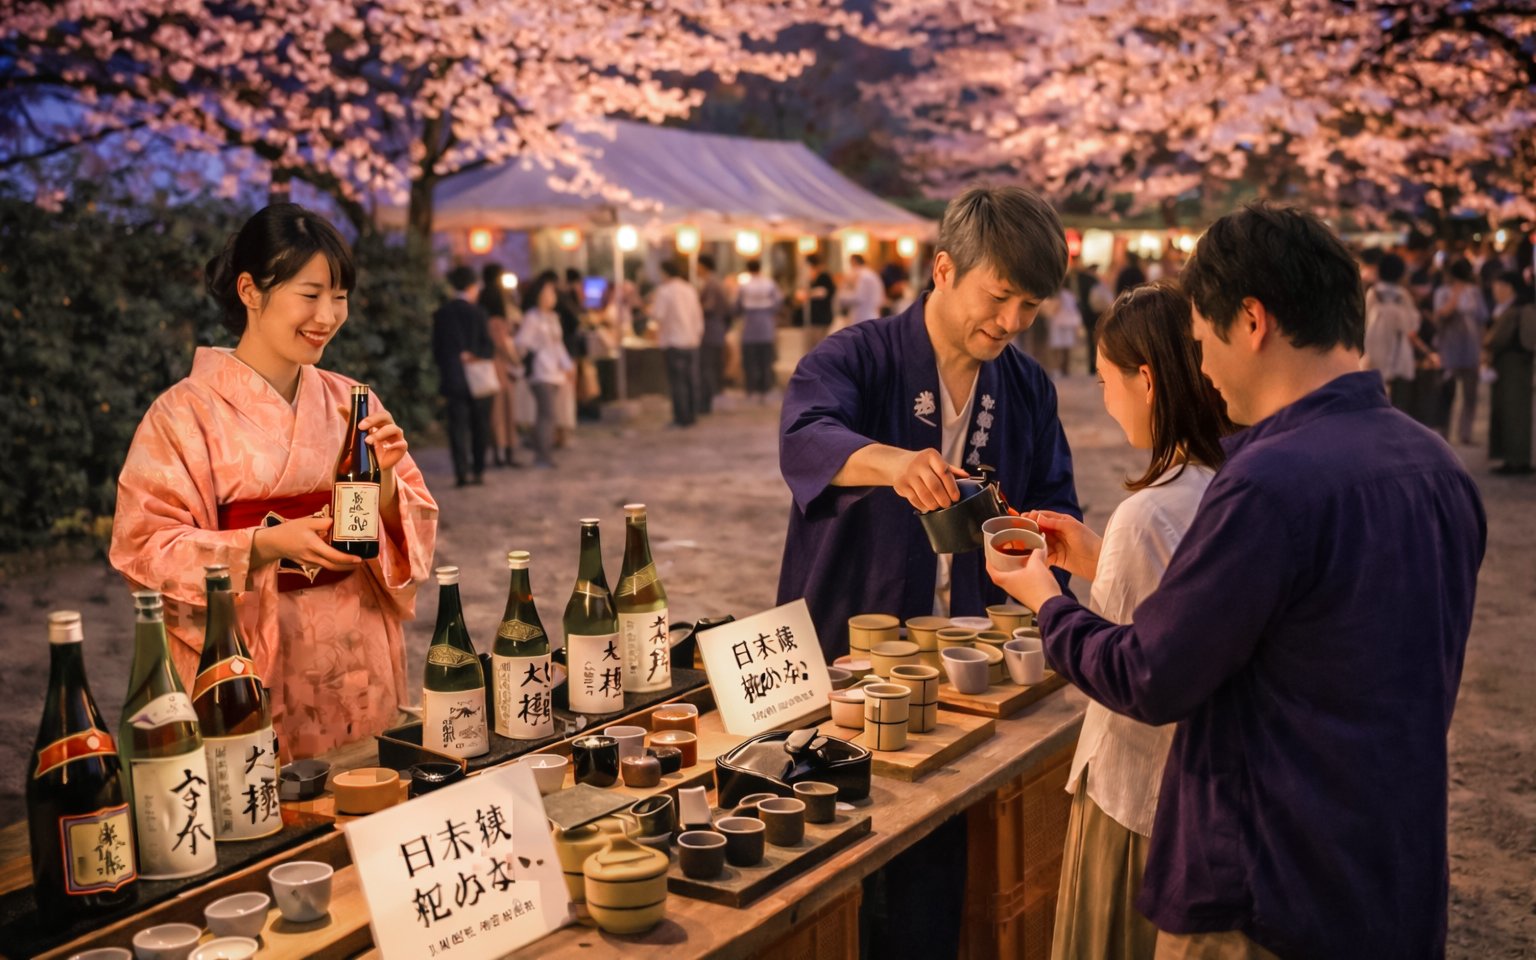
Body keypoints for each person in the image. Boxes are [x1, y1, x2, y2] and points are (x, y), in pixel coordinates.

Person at [989, 203, 1485, 959]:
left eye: (1203, 340)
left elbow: (1151, 676)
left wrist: (1046, 603)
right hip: (1389, 877)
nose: (1206, 370)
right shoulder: (1436, 467)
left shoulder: (1270, 481)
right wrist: (1094, 565)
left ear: (1251, 321)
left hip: (1267, 889)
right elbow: (1300, 633)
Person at [778, 185, 1080, 960]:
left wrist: (1039, 538)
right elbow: (805, 436)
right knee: (835, 849)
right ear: (944, 268)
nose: (1012, 323)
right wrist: (890, 462)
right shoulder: (857, 354)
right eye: (1001, 295)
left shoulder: (1026, 386)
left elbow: (1054, 502)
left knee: (937, 858)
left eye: (1030, 306)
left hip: (968, 663)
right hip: (852, 650)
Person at [110, 203, 439, 760]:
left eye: (340, 297)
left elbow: (414, 522)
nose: (329, 315)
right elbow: (143, 545)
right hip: (249, 653)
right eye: (310, 295)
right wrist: (261, 544)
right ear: (250, 291)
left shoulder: (350, 400)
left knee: (365, 799)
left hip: (357, 651)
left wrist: (385, 488)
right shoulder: (182, 415)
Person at [1031, 282, 1232, 960]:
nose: (1105, 398)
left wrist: (1042, 595)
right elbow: (1185, 612)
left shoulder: (1150, 510)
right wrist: (1097, 560)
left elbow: (1126, 667)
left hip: (1137, 794)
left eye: (1105, 380)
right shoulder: (1231, 482)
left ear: (1145, 380)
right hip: (1201, 794)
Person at [433, 265, 494, 487]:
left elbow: (437, 350)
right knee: (480, 426)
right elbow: (489, 348)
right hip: (478, 379)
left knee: (457, 427)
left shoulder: (443, 313)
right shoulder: (478, 313)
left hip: (453, 378)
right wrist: (474, 355)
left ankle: (461, 472)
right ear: (471, 286)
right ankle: (478, 470)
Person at [515, 273, 574, 469]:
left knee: (549, 414)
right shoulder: (532, 317)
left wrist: (567, 365)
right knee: (547, 414)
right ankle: (542, 455)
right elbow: (522, 342)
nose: (552, 297)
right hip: (540, 372)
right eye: (548, 292)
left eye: (553, 293)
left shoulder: (553, 317)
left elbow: (558, 345)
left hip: (554, 372)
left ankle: (545, 454)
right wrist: (537, 348)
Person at [1362, 252, 1433, 412]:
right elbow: (1412, 325)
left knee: (1378, 393)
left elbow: (1365, 319)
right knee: (1398, 400)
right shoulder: (1403, 295)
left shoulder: (1373, 293)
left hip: (1375, 347)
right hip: (1398, 350)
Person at [1432, 257, 1489, 444]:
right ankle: (1444, 432)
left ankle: (1465, 433)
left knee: (1470, 394)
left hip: (1471, 348)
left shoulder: (1474, 292)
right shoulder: (1443, 292)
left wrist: (1483, 348)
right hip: (1449, 349)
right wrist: (1455, 295)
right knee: (1447, 393)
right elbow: (1441, 315)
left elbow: (1481, 321)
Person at [1485, 270, 1535, 475]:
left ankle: (1516, 459)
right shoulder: (1516, 308)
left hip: (1513, 365)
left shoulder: (1515, 310)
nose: (1495, 290)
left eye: (1498, 285)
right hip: (1513, 365)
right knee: (1512, 411)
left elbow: (1495, 339)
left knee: (1513, 412)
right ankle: (1514, 457)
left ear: (1508, 287)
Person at [478, 263, 523, 469]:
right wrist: (517, 361)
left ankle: (498, 451)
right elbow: (503, 344)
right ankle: (504, 452)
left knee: (495, 413)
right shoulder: (497, 318)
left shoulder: (481, 309)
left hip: (490, 366)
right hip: (500, 369)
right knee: (503, 411)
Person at [652, 259, 705, 428]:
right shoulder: (689, 289)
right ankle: (691, 415)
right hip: (691, 340)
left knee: (678, 382)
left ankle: (681, 417)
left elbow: (658, 315)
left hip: (674, 341)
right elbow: (698, 316)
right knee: (691, 380)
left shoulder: (664, 291)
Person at [737, 258, 783, 401]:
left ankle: (751, 389)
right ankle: (765, 389)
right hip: (766, 328)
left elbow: (737, 306)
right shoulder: (769, 283)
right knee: (765, 361)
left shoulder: (744, 285)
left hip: (749, 328)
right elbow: (778, 302)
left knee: (750, 362)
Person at [697, 254, 730, 413]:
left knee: (707, 366)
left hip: (711, 330)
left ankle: (706, 402)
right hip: (716, 329)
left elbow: (709, 307)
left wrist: (694, 308)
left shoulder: (711, 283)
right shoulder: (716, 282)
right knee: (711, 365)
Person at [1047, 280, 1082, 376]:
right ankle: (1057, 369)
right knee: (1057, 349)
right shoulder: (1053, 296)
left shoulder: (1067, 295)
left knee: (1065, 349)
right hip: (1057, 325)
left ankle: (1064, 370)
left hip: (1066, 325)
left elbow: (1073, 310)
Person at [803, 252, 836, 351]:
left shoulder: (824, 276)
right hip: (814, 316)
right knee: (812, 343)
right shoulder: (813, 276)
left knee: (819, 344)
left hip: (822, 315)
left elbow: (824, 292)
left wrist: (809, 294)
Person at [841, 253, 885, 324]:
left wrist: (842, 297)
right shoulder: (872, 274)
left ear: (854, 261)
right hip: (870, 314)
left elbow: (859, 297)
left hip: (863, 316)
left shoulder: (863, 276)